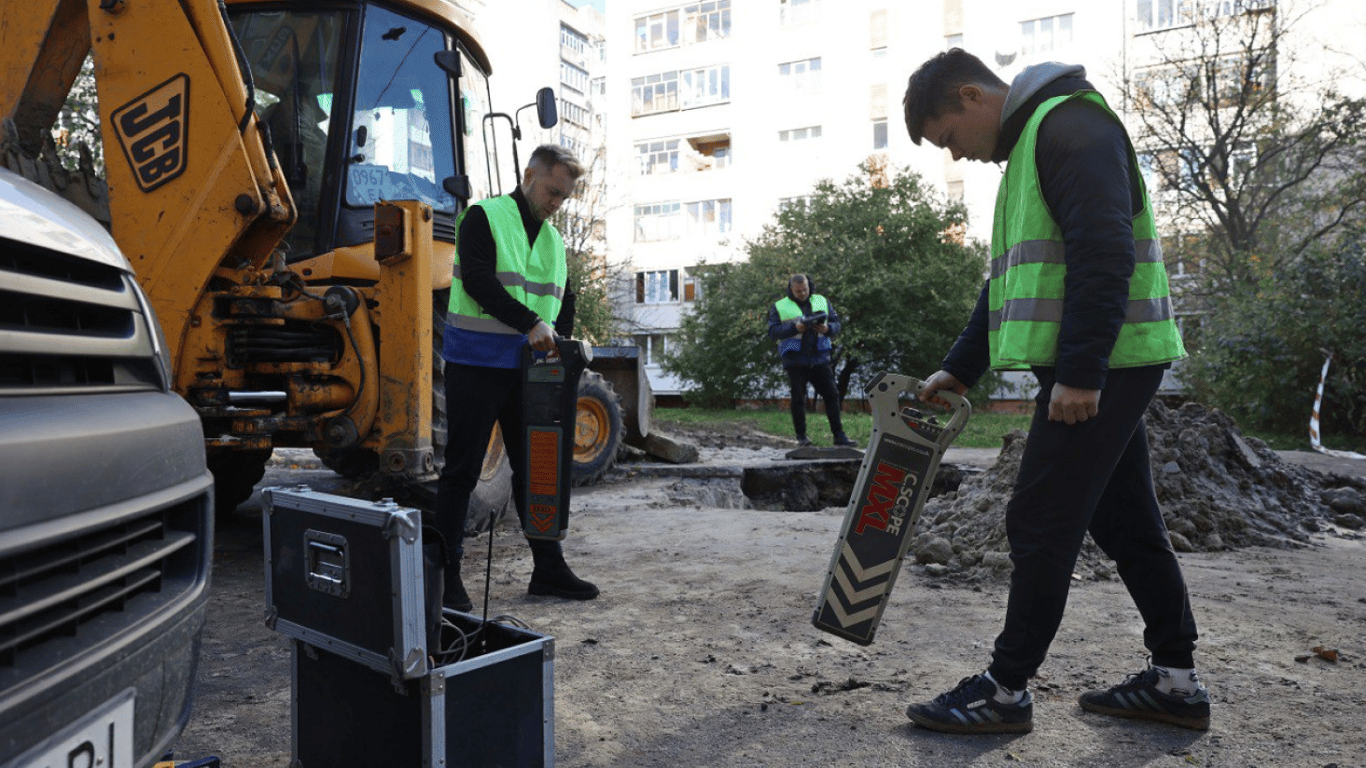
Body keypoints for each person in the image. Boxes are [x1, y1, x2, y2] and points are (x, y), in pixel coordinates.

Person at [898, 49, 1206, 734]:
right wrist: (961, 367)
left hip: (1108, 364)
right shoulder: (1039, 143)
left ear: (972, 97)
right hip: (1106, 363)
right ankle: (1176, 682)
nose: (957, 157)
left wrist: (1081, 372)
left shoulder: (1070, 127)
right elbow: (1006, 283)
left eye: (949, 138)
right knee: (1126, 520)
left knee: (1040, 519)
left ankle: (1004, 693)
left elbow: (1104, 249)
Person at [434, 144, 598, 611]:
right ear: (529, 176)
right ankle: (446, 578)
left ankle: (548, 567)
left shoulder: (552, 240)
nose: (555, 203)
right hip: (478, 364)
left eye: (564, 198)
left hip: (531, 372)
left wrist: (561, 344)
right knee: (462, 471)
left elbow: (562, 301)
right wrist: (531, 324)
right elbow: (481, 283)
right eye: (552, 192)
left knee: (534, 470)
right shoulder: (483, 217)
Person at [766, 274, 856, 448]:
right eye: (798, 291)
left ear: (809, 285)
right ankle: (802, 438)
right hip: (795, 360)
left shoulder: (822, 301)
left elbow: (837, 323)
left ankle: (839, 436)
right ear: (791, 289)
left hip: (820, 358)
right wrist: (794, 328)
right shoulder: (780, 306)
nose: (802, 293)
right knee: (798, 399)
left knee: (832, 395)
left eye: (805, 289)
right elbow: (773, 332)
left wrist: (827, 328)